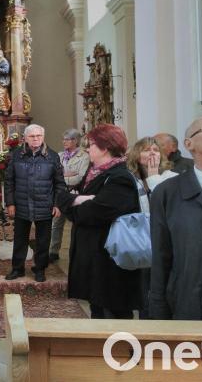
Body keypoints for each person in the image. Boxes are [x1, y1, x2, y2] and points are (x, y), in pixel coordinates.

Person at [58, 124, 141, 319]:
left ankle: (120, 349)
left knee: (113, 311)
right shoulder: (96, 172)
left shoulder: (120, 177)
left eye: (92, 145)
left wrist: (77, 202)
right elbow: (63, 198)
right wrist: (79, 200)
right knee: (97, 308)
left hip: (108, 257)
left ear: (105, 148)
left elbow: (93, 213)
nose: (88, 149)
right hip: (92, 253)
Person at [149, 116, 202, 320]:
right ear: (188, 144)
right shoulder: (168, 193)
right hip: (190, 303)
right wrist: (158, 308)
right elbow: (161, 254)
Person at [4, 124, 67, 282]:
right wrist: (10, 203)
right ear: (25, 138)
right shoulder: (16, 155)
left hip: (44, 204)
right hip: (22, 203)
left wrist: (57, 204)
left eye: (39, 136)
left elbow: (59, 183)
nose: (36, 139)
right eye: (32, 136)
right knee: (20, 239)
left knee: (43, 241)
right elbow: (9, 181)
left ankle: (40, 269)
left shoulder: (52, 156)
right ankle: (17, 269)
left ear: (43, 137)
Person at [126, 136, 179, 319]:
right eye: (147, 150)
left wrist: (154, 174)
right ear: (136, 154)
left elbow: (165, 204)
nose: (152, 153)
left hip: (165, 239)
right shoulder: (130, 178)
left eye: (155, 150)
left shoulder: (171, 177)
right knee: (143, 289)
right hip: (140, 240)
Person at [49, 128, 90, 263]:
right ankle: (53, 251)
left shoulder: (84, 156)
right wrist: (65, 175)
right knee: (56, 224)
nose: (64, 142)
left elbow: (80, 177)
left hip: (74, 195)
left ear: (76, 141)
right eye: (64, 139)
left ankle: (76, 252)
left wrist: (61, 177)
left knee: (76, 225)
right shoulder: (59, 155)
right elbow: (52, 175)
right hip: (60, 195)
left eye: (67, 139)